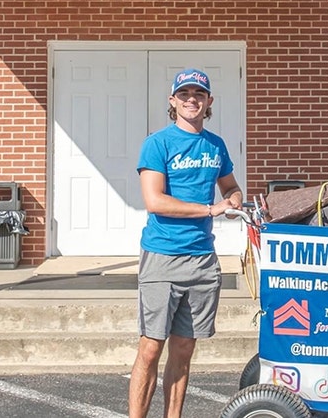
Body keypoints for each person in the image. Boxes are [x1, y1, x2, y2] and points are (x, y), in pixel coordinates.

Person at [128, 68, 244, 418]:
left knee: (183, 349)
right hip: (163, 255)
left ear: (209, 102)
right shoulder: (158, 143)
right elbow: (155, 200)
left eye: (198, 94)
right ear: (172, 101)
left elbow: (231, 188)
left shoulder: (216, 145)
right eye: (184, 94)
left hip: (202, 260)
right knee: (150, 347)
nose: (191, 100)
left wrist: (235, 200)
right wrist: (210, 208)